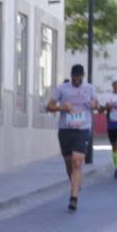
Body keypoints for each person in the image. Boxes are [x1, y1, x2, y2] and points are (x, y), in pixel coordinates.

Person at [45, 64, 98, 211]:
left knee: (77, 161)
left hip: (83, 129)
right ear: (71, 76)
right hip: (65, 130)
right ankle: (75, 182)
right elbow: (48, 106)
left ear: (83, 76)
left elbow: (97, 104)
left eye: (79, 77)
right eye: (75, 77)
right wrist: (61, 108)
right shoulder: (62, 88)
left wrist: (94, 104)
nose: (77, 79)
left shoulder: (89, 88)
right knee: (69, 163)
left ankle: (73, 197)